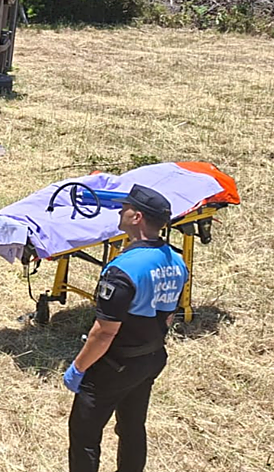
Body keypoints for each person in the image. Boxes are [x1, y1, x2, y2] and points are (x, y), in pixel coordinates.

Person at [63, 184, 188, 472]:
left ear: (137, 217)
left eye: (125, 208)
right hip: (151, 358)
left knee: (84, 435)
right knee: (132, 427)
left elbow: (104, 331)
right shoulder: (177, 261)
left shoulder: (123, 269)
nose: (120, 211)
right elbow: (169, 316)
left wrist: (79, 368)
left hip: (114, 365)